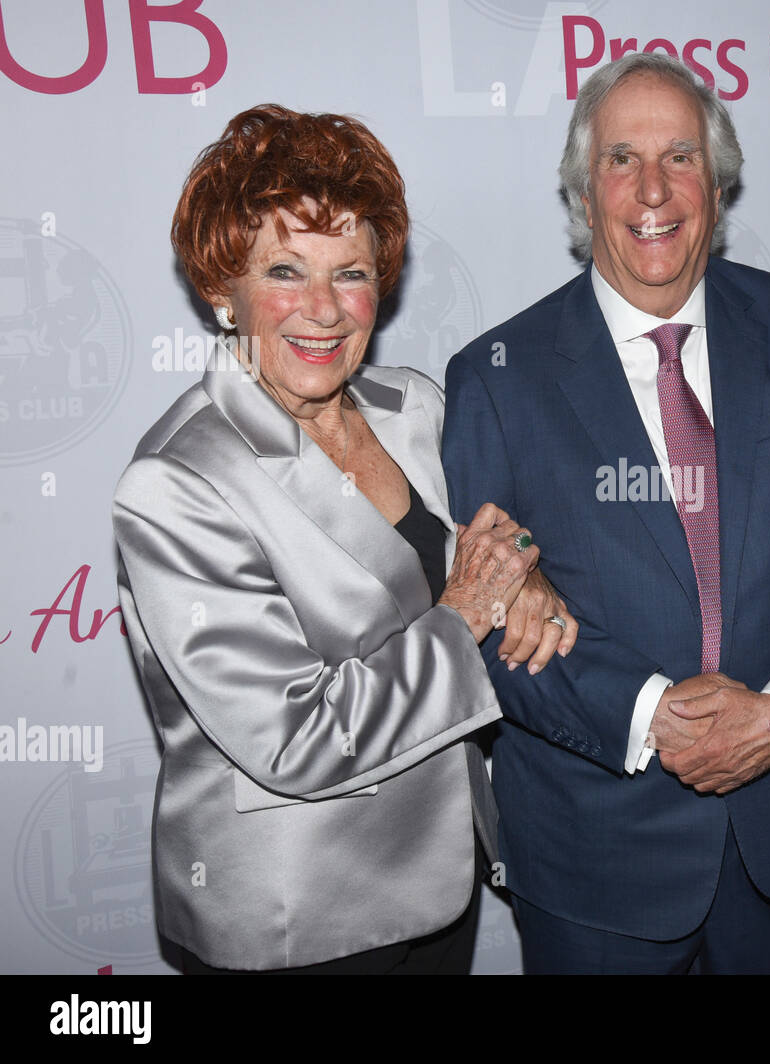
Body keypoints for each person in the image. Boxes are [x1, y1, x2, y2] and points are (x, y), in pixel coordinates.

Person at [439, 53, 770, 974]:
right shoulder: (497, 379)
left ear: (719, 183)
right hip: (592, 864)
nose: (653, 188)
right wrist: (654, 715)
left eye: (681, 157)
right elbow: (492, 613)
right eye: (621, 159)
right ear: (585, 194)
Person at [112, 105, 575, 974]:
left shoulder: (415, 407)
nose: (322, 310)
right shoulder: (175, 484)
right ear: (223, 290)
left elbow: (469, 546)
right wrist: (470, 608)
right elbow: (297, 737)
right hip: (296, 920)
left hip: (442, 880)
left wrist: (520, 574)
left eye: (351, 272)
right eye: (285, 270)